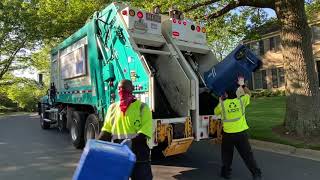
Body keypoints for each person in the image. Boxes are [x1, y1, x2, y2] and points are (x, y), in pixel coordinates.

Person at [98, 79, 153, 180]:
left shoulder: (143, 108)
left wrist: (130, 142)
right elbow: (106, 130)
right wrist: (96, 145)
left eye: (124, 87)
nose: (121, 90)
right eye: (119, 88)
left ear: (132, 88)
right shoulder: (112, 108)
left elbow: (145, 131)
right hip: (119, 154)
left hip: (139, 155)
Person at [214, 77, 262, 180]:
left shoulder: (222, 105)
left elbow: (215, 112)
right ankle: (256, 174)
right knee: (247, 155)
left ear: (226, 94)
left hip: (228, 135)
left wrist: (221, 100)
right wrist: (242, 85)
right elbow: (249, 94)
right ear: (236, 93)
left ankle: (226, 173)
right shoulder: (241, 101)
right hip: (241, 134)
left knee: (227, 155)